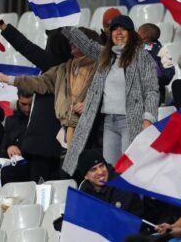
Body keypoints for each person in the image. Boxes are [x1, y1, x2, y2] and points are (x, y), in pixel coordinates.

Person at [60, 15, 159, 175]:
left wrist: (148, 119)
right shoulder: (104, 54)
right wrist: (63, 23)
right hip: (108, 122)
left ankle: (131, 201)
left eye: (123, 29)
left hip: (130, 121)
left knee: (129, 170)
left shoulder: (142, 57)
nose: (118, 33)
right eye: (115, 29)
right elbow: (84, 43)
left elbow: (152, 90)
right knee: (110, 171)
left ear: (131, 33)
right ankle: (111, 200)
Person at [0, 4, 72, 182]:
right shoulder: (71, 69)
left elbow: (25, 46)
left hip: (42, 145)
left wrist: (0, 23)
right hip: (56, 144)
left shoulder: (52, 64)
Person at [0, 27, 100, 147]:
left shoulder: (101, 68)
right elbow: (38, 82)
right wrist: (7, 79)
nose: (72, 42)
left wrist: (90, 103)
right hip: (65, 133)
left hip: (90, 130)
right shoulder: (63, 69)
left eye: (77, 39)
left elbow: (108, 94)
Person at [77, 149, 143, 216]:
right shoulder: (85, 187)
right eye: (93, 170)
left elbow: (115, 219)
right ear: (85, 176)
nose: (100, 172)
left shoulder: (121, 184)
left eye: (101, 166)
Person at [137, 23, 175, 105]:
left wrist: (159, 80)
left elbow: (169, 69)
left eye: (138, 32)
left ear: (144, 35)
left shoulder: (160, 50)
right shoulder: (135, 49)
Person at [0, 92, 33, 158]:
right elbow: (2, 150)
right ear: (18, 99)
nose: (27, 109)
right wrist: (8, 147)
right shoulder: (10, 120)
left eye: (31, 105)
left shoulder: (43, 121)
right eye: (23, 104)